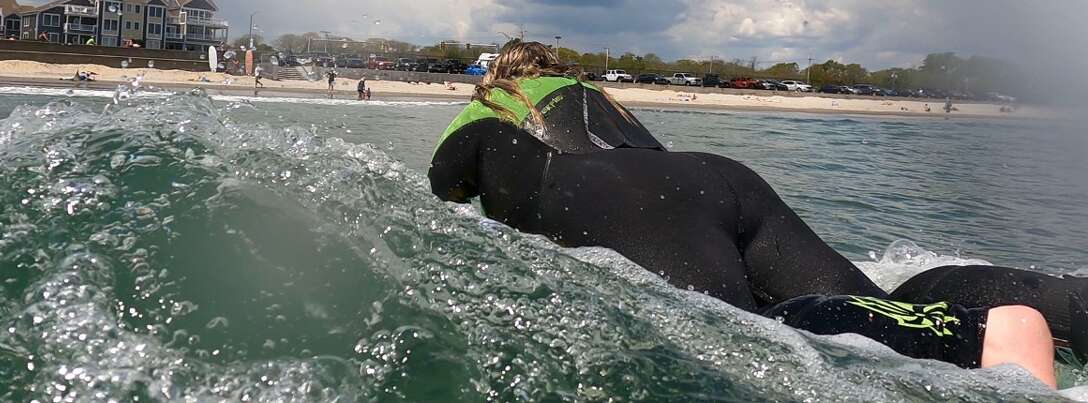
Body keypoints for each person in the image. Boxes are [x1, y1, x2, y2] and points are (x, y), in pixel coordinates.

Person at [428, 42, 1081, 385]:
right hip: (714, 177)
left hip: (626, 204)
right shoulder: (591, 93)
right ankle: (1058, 306)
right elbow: (649, 165)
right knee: (883, 301)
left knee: (739, 335)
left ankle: (986, 338)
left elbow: (449, 185)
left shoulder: (489, 106)